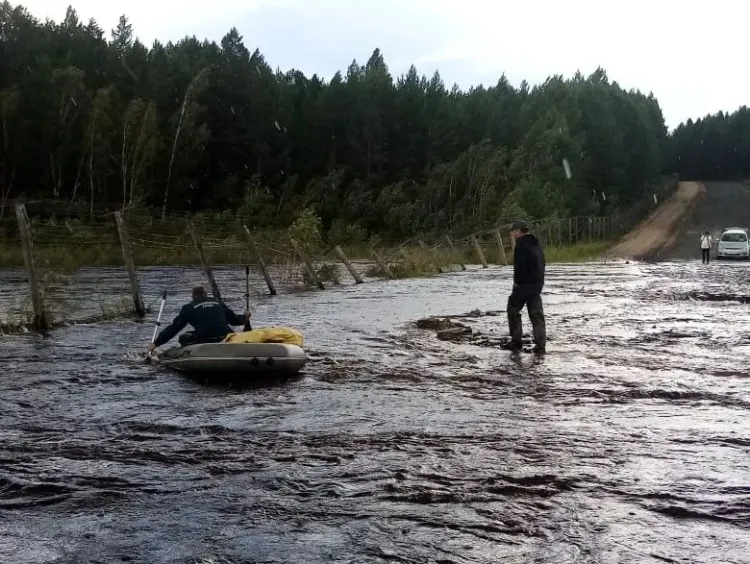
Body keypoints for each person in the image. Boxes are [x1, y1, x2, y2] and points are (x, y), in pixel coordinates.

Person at [147, 285, 251, 353]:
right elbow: (233, 320)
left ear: (192, 297)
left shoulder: (189, 307)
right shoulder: (218, 302)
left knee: (183, 337)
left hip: (205, 339)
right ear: (205, 294)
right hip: (225, 336)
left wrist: (156, 343)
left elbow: (175, 328)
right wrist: (244, 318)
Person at [503, 220, 546, 353]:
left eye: (513, 231)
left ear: (518, 231)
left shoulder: (521, 245)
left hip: (524, 286)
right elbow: (543, 264)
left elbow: (520, 267)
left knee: (512, 310)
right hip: (537, 285)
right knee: (537, 316)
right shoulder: (536, 244)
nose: (512, 234)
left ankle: (516, 342)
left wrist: (516, 284)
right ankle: (540, 346)